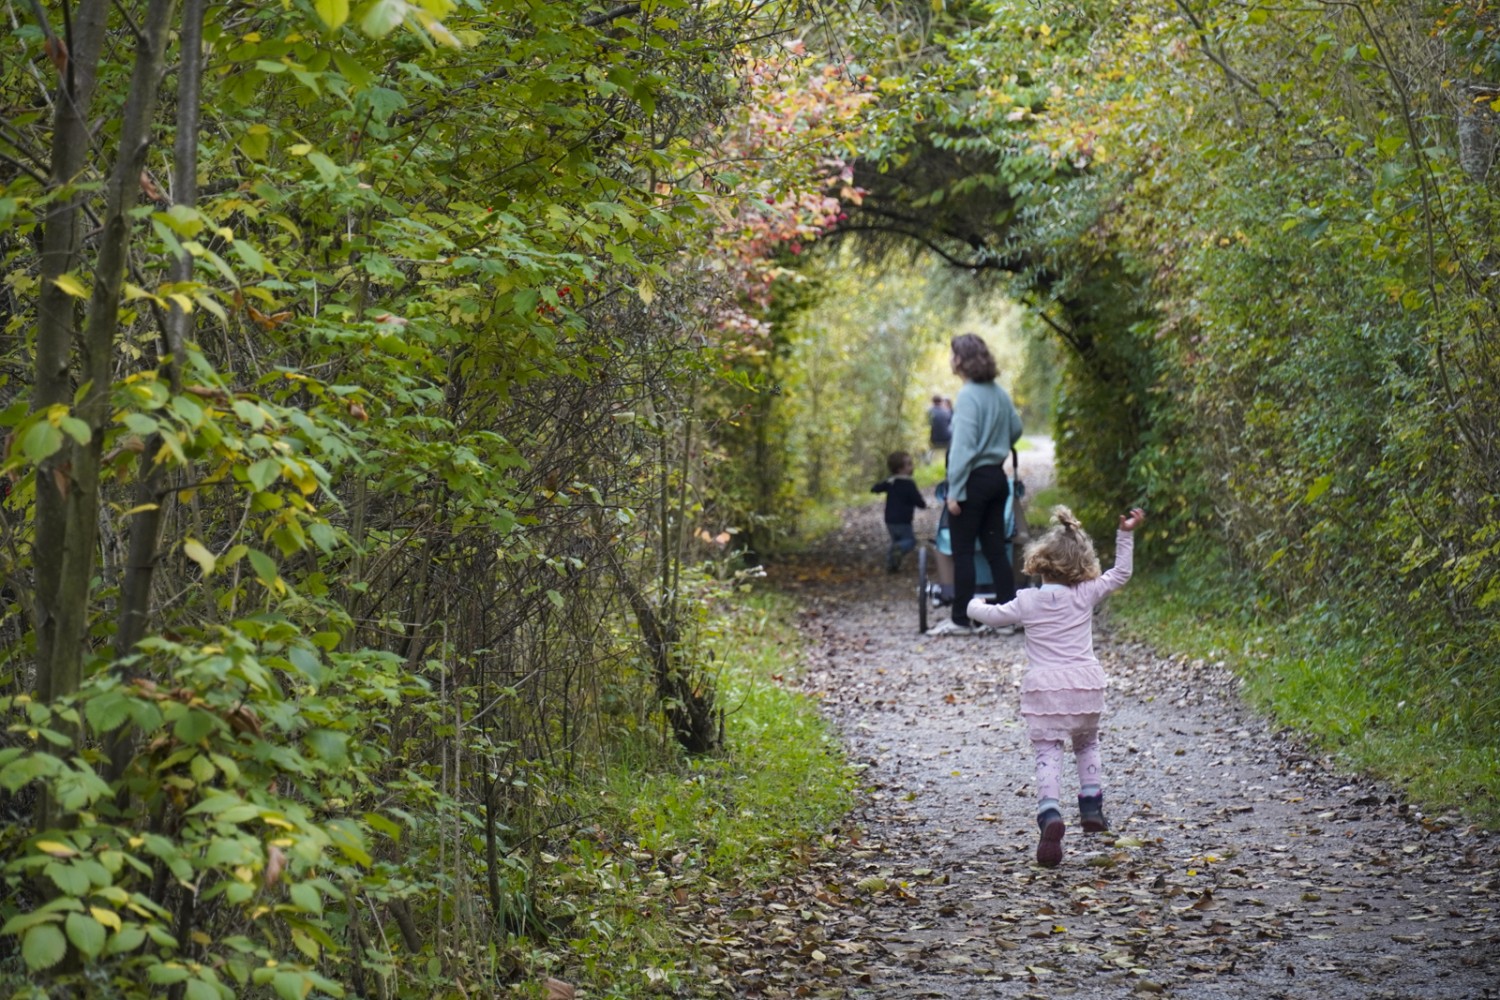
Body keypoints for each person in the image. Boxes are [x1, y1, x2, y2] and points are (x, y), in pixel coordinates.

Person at [968, 505, 1147, 867]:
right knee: (1086, 743)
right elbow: (1121, 573)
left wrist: (972, 604)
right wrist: (1125, 533)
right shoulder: (1085, 594)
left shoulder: (1028, 601)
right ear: (1083, 565)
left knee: (1049, 752)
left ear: (1040, 561)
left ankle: (1050, 813)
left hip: (1046, 691)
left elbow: (995, 617)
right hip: (1085, 687)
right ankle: (1092, 801)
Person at [925, 333, 1023, 636]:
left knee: (963, 550)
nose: (951, 360)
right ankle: (1006, 618)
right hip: (996, 477)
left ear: (962, 360)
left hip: (972, 481)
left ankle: (960, 619)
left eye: (953, 354)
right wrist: (995, 444)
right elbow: (1016, 429)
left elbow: (963, 448)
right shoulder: (999, 392)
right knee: (996, 548)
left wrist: (955, 491)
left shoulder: (967, 395)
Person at [871, 451, 927, 572]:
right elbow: (917, 500)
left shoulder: (891, 481)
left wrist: (885, 481)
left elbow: (875, 489)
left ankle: (892, 566)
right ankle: (897, 552)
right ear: (900, 469)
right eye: (909, 464)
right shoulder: (909, 484)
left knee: (896, 541)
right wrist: (922, 504)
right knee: (910, 541)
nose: (912, 467)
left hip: (890, 519)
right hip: (903, 520)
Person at [926, 394, 952, 462]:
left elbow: (926, 424)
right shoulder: (947, 412)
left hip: (934, 439)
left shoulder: (929, 412)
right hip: (947, 439)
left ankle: (927, 461)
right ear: (941, 401)